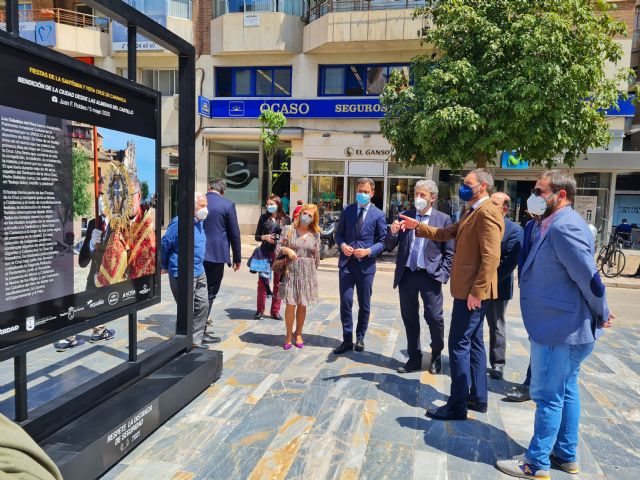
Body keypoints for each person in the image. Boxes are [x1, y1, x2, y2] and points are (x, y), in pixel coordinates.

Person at [497, 170, 614, 479]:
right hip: (560, 325)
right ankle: (565, 454)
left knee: (548, 396)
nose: (534, 196)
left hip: (561, 329)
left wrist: (602, 311)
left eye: (539, 190)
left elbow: (589, 278)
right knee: (566, 390)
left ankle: (534, 464)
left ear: (561, 195)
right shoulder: (546, 224)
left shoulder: (565, 227)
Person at [399, 168, 504, 420]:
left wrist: (477, 291)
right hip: (469, 289)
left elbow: (491, 258)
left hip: (472, 292)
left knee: (458, 345)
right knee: (475, 343)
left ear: (482, 186)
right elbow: (447, 233)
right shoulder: (472, 210)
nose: (463, 186)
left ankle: (457, 405)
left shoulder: (487, 212)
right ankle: (477, 398)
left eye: (468, 183)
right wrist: (419, 227)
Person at [387, 180, 454, 374]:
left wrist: (443, 274)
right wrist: (392, 232)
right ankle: (414, 357)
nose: (418, 198)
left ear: (432, 198)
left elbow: (450, 252)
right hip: (407, 274)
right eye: (416, 194)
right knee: (409, 318)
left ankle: (436, 355)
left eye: (422, 195)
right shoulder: (404, 216)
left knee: (434, 317)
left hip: (430, 276)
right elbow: (390, 245)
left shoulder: (443, 220)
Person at [333, 177, 387, 354]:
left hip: (366, 266)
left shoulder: (378, 214)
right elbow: (339, 234)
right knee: (346, 302)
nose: (362, 194)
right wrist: (342, 245)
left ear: (372, 193)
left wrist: (369, 251)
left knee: (364, 303)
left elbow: (383, 241)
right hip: (347, 264)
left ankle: (360, 336)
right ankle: (347, 339)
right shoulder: (347, 210)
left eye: (365, 192)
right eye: (359, 191)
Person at [161, 192, 214, 349]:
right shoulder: (179, 223)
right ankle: (182, 342)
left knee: (203, 306)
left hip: (199, 270)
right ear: (191, 207)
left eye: (206, 206)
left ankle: (194, 342)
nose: (205, 209)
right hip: (182, 272)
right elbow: (165, 244)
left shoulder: (200, 221)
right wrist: (163, 265)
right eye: (201, 206)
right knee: (187, 309)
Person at [484, 192, 523, 380]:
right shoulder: (481, 224)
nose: (489, 207)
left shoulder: (514, 230)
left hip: (498, 287)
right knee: (472, 325)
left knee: (497, 325)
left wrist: (486, 282)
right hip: (475, 285)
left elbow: (509, 264)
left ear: (505, 208)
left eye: (495, 204)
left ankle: (498, 363)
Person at [275, 204, 321, 349]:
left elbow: (317, 255)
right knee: (290, 304)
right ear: (300, 213)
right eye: (305, 213)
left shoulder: (315, 233)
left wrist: (313, 272)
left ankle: (299, 333)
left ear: (314, 218)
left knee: (302, 304)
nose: (306, 216)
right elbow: (278, 248)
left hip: (307, 272)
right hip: (291, 270)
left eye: (310, 215)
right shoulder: (289, 229)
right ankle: (289, 335)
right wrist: (287, 249)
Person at [203, 179, 241, 335]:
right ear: (223, 191)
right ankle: (201, 327)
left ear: (209, 187)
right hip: (216, 255)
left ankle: (193, 324)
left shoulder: (198, 201)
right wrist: (237, 258)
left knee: (194, 290)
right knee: (210, 292)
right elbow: (234, 234)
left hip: (195, 253)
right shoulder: (227, 205)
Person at [254, 195, 291, 320]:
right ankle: (260, 310)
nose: (269, 206)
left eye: (271, 204)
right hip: (265, 252)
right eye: (267, 204)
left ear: (278, 204)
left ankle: (275, 311)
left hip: (280, 253)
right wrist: (264, 237)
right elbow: (257, 236)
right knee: (263, 282)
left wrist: (281, 242)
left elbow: (290, 237)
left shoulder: (286, 219)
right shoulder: (263, 218)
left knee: (278, 283)